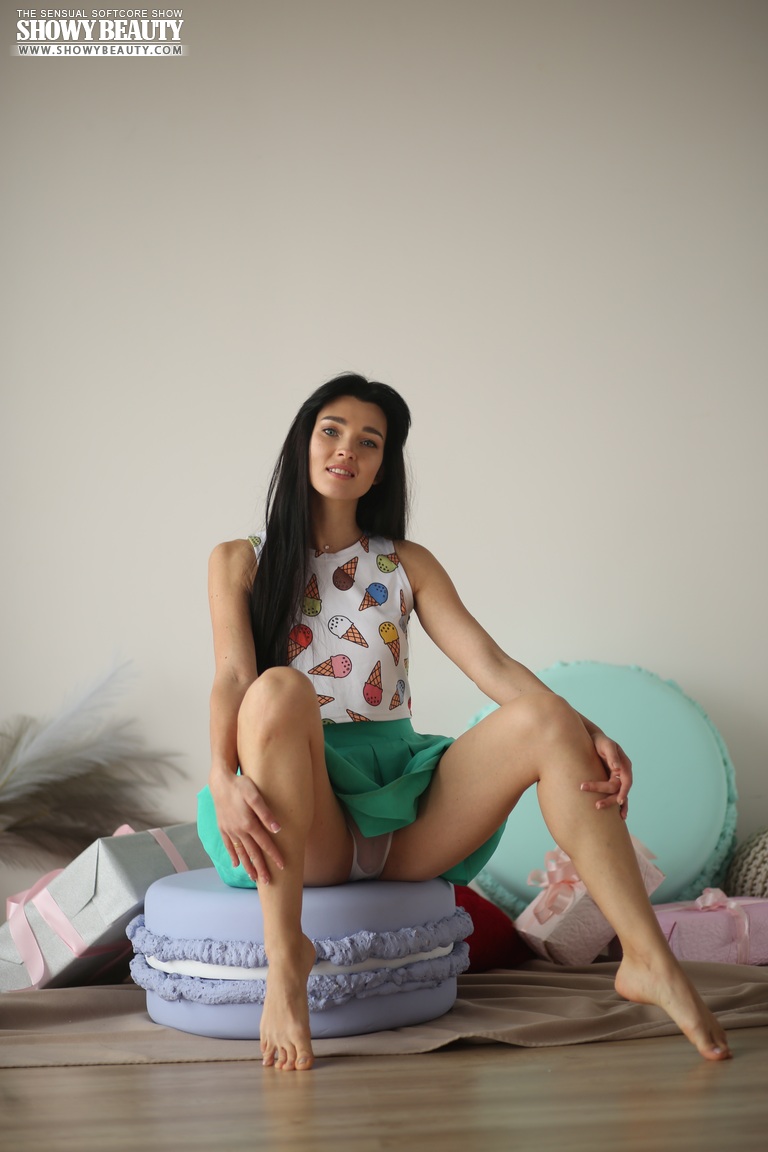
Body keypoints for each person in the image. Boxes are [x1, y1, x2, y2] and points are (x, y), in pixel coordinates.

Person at [197, 372, 731, 1072]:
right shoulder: (241, 559)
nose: (346, 449)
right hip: (300, 814)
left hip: (403, 814)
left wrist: (588, 730)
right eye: (331, 430)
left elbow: (490, 662)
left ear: (383, 466)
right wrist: (221, 775)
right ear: (303, 441)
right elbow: (233, 680)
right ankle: (286, 962)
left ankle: (646, 957)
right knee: (276, 689)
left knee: (545, 718)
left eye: (369, 441)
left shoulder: (404, 563)